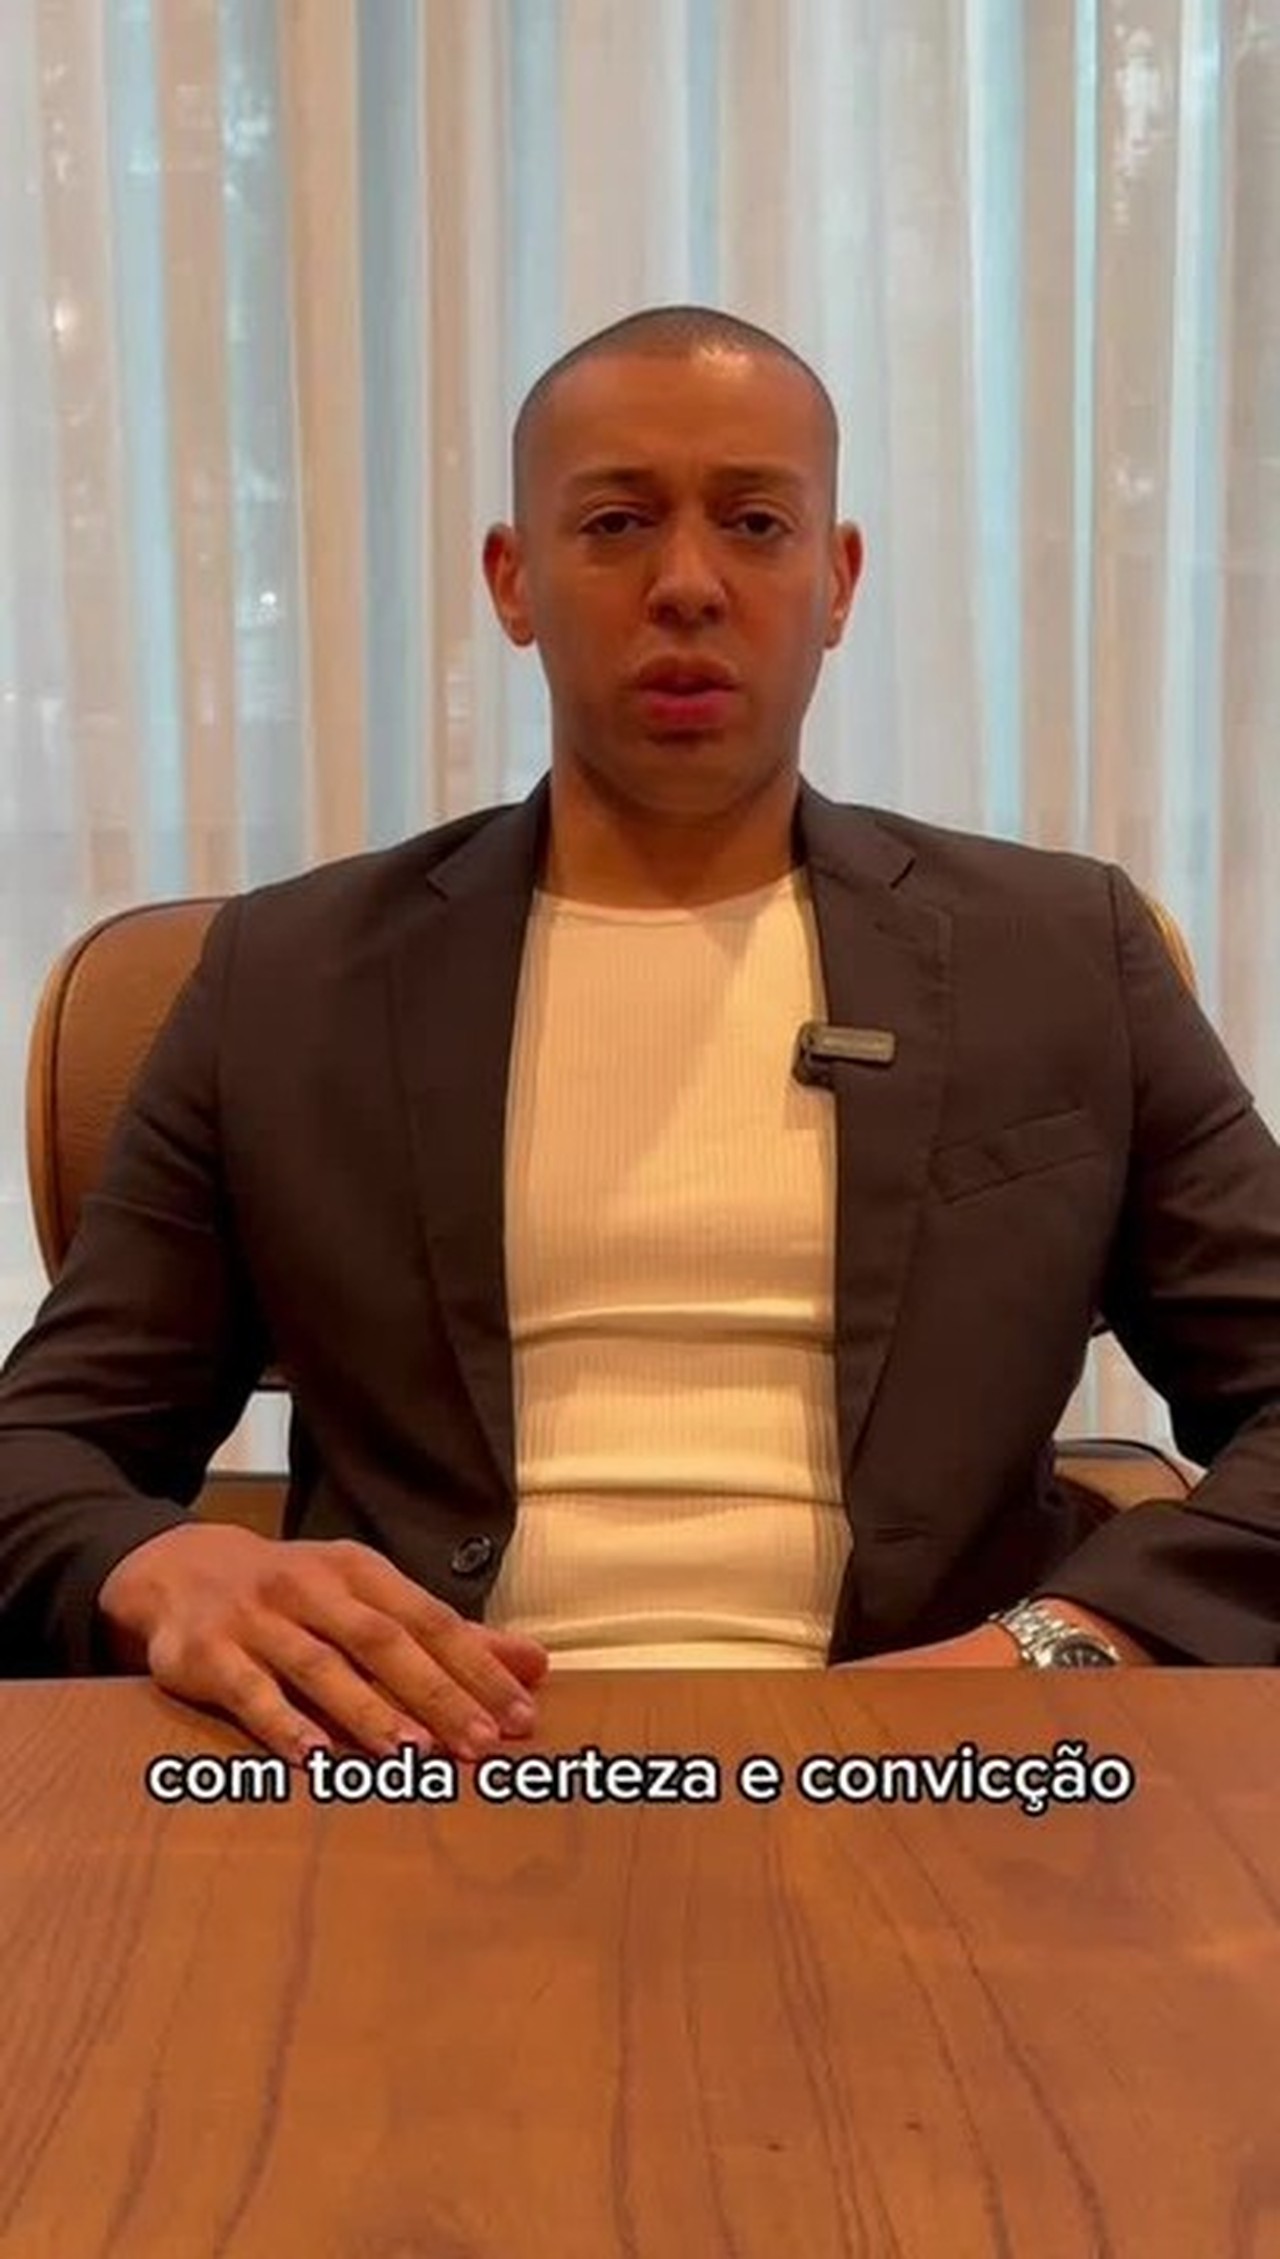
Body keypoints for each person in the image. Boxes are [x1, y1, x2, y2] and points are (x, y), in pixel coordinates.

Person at [1, 305, 1277, 1772]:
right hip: (420, 1768)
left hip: (941, 1770)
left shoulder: (1057, 954)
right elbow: (43, 1453)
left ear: (837, 579)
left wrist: (1063, 1648)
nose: (687, 585)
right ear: (514, 580)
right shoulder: (288, 979)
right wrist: (168, 1567)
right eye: (615, 524)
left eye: (755, 523)